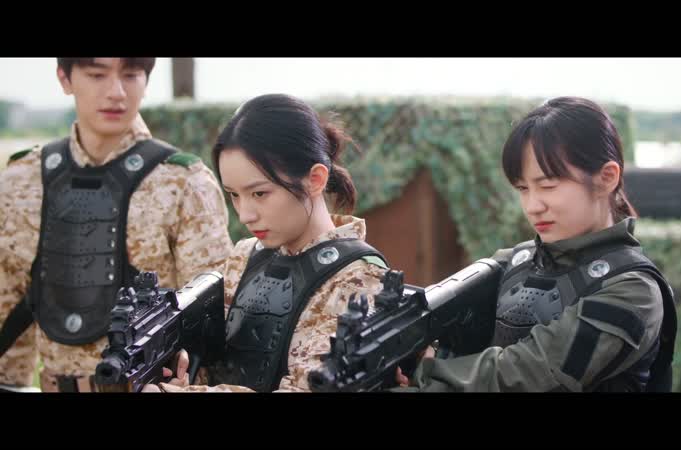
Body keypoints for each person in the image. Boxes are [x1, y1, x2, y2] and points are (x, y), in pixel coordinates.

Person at [396, 96, 677, 392]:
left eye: (547, 186)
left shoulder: (633, 291)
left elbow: (526, 373)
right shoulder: (515, 262)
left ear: (606, 178)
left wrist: (425, 374)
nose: (532, 206)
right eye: (523, 188)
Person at [0, 58, 233, 392]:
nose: (116, 92)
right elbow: (7, 313)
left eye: (131, 75)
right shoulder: (21, 180)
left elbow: (212, 325)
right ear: (65, 78)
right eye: (97, 75)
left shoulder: (184, 182)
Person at [144, 93, 390, 393]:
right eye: (234, 195)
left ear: (315, 179)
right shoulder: (245, 255)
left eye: (259, 193)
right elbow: (223, 367)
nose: (245, 215)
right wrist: (186, 376)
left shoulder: (361, 278)